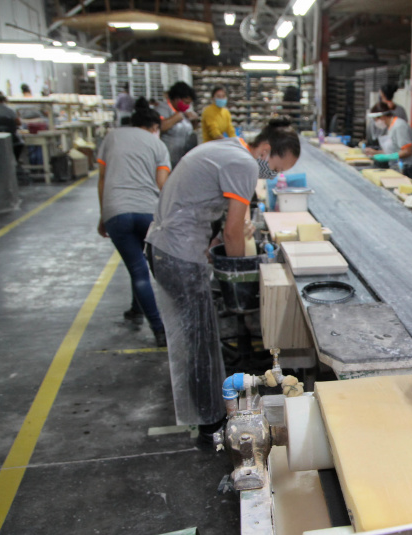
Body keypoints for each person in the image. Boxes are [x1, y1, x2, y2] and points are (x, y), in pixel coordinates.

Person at [145, 120, 300, 444]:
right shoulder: (244, 163)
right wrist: (239, 276)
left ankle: (208, 415)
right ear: (265, 150)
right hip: (178, 254)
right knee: (199, 343)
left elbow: (210, 208)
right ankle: (210, 426)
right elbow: (232, 232)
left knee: (198, 339)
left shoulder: (229, 148)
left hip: (168, 247)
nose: (271, 176)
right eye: (274, 168)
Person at [96, 98, 171, 346]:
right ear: (154, 127)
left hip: (116, 211)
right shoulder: (158, 144)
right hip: (148, 213)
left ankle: (139, 310)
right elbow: (162, 184)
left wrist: (103, 215)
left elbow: (102, 179)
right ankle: (160, 328)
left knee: (136, 266)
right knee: (146, 267)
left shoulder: (112, 137)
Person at [155, 81, 198, 167]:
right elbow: (160, 127)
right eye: (186, 102)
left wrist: (194, 121)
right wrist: (176, 118)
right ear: (177, 99)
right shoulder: (163, 109)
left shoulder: (184, 113)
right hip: (166, 160)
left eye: (189, 104)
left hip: (181, 160)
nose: (187, 106)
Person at [364, 102, 412, 166]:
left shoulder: (399, 126)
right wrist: (375, 153)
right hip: (394, 166)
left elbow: (407, 151)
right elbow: (392, 151)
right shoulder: (389, 128)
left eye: (376, 120)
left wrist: (387, 157)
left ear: (382, 117)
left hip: (405, 167)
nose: (376, 123)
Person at [0, 91, 24, 162]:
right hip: (12, 138)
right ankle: (16, 161)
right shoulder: (10, 110)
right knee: (20, 143)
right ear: (4, 100)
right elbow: (18, 123)